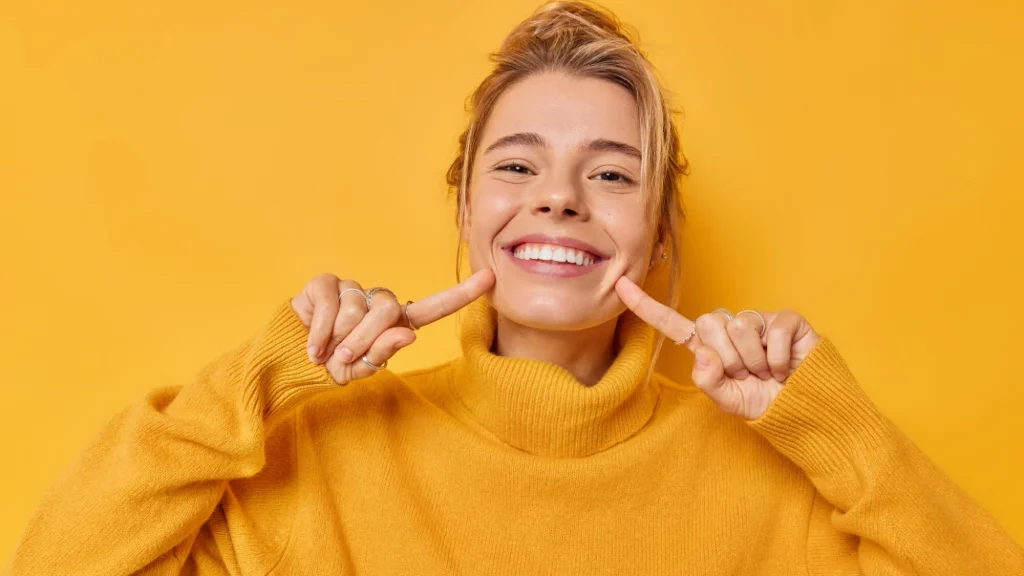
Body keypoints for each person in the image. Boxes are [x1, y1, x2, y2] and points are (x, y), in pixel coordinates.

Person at [5, 1, 1022, 574]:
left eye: (613, 173)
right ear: (465, 208)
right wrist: (257, 385)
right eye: (517, 165)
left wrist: (832, 426)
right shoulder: (310, 463)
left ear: (657, 231)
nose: (561, 200)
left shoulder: (770, 488)